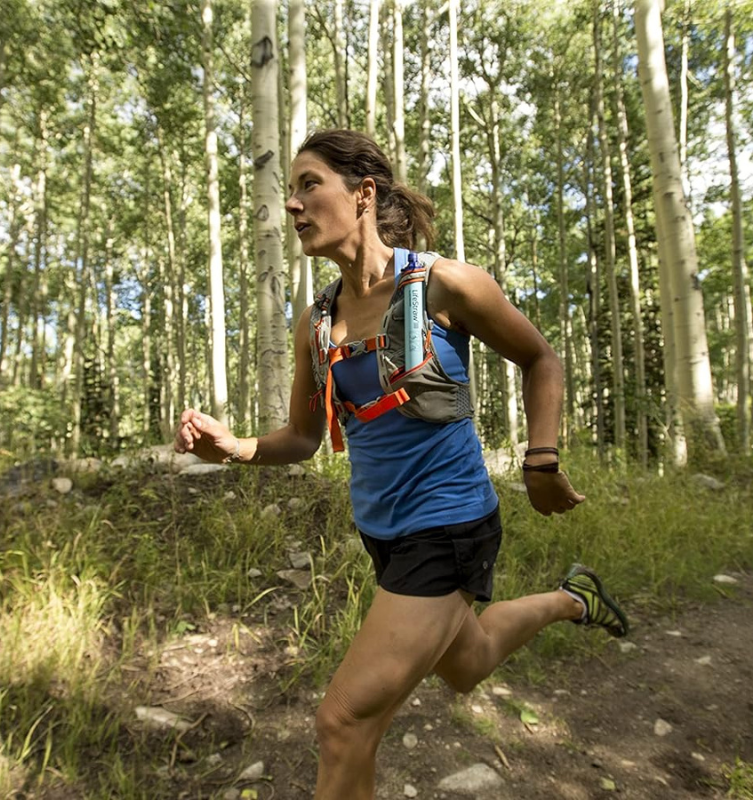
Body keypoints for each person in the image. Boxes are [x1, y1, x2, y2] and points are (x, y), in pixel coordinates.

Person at [174, 129, 628, 800]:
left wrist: (541, 458)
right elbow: (302, 438)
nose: (292, 206)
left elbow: (541, 358)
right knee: (466, 663)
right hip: (382, 532)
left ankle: (566, 598)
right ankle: (572, 599)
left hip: (447, 524)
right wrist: (235, 448)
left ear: (362, 194)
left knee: (342, 722)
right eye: (289, 192)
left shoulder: (442, 284)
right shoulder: (316, 323)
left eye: (308, 185)